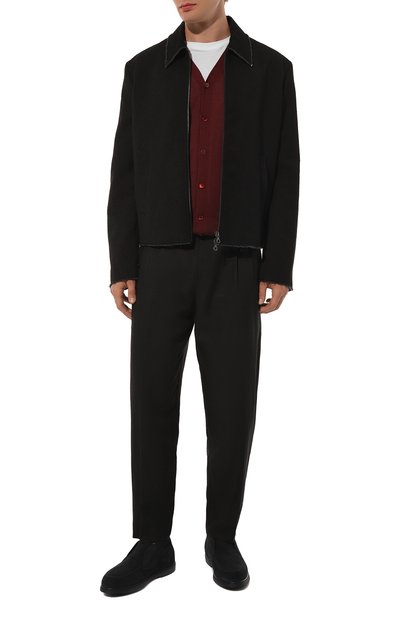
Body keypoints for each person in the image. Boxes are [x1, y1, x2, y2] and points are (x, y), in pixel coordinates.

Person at [100, 0, 300, 596]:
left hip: (236, 262)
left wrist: (277, 263)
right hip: (158, 262)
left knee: (233, 408)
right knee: (151, 403)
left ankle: (222, 537)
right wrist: (122, 262)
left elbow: (286, 169)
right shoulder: (143, 70)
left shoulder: (271, 70)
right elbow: (123, 170)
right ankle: (152, 543)